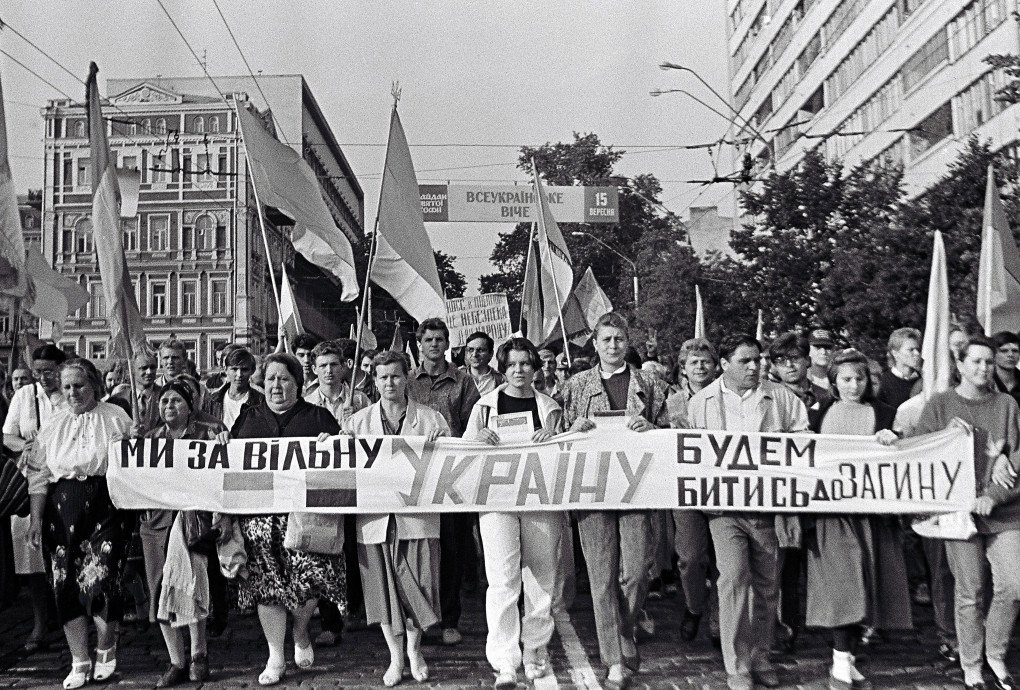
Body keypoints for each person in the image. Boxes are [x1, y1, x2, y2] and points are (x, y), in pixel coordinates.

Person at [687, 333, 808, 690]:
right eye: (745, 361)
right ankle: (737, 664)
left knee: (768, 585)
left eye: (757, 360)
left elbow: (804, 442)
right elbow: (690, 450)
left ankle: (761, 653)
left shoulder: (782, 398)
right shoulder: (702, 402)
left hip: (769, 506)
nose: (755, 366)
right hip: (724, 509)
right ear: (724, 364)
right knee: (734, 577)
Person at [561, 312, 669, 689]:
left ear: (628, 342)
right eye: (605, 340)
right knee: (601, 577)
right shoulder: (576, 386)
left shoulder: (651, 384)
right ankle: (615, 659)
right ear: (595, 343)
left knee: (637, 571)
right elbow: (557, 439)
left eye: (619, 339)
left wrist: (654, 429)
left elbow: (673, 433)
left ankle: (624, 629)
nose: (612, 346)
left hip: (638, 489)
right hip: (593, 491)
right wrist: (572, 429)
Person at [910, 335, 1020, 690]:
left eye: (989, 362)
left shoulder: (1007, 405)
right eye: (975, 361)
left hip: (1003, 510)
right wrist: (890, 439)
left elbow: (1018, 456)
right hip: (959, 512)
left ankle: (996, 653)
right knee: (970, 591)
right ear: (959, 365)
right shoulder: (941, 404)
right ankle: (971, 664)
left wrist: (995, 494)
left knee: (1014, 585)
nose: (984, 368)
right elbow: (917, 449)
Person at [230, 353, 346, 686]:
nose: (276, 386)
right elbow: (232, 464)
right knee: (268, 587)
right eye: (270, 379)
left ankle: (300, 630)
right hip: (262, 519)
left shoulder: (318, 417)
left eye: (284, 379)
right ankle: (275, 656)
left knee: (310, 581)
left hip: (306, 517)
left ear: (297, 383)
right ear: (261, 383)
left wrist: (334, 444)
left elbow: (342, 461)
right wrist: (224, 443)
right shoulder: (248, 417)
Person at [806, 349, 912, 689]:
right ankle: (838, 663)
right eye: (846, 379)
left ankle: (848, 660)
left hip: (870, 514)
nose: (854, 385)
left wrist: (894, 440)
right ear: (834, 382)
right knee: (843, 585)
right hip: (832, 513)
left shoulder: (884, 413)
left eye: (860, 379)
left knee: (865, 584)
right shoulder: (818, 412)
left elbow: (907, 455)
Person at [25, 359, 132, 689]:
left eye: (80, 385)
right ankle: (79, 659)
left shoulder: (116, 417)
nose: (73, 392)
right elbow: (39, 477)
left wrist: (137, 440)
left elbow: (137, 461)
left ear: (95, 384)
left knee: (102, 579)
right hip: (62, 509)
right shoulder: (52, 425)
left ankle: (105, 647)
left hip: (106, 504)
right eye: (67, 386)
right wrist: (36, 518)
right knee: (66, 584)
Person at [346, 350, 448, 686]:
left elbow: (455, 465)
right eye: (383, 377)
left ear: (407, 378)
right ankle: (394, 656)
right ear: (374, 381)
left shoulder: (431, 420)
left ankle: (415, 651)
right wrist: (327, 442)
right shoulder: (358, 422)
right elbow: (338, 462)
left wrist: (443, 444)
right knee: (382, 588)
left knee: (417, 583)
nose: (390, 383)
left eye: (396, 375)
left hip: (416, 518)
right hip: (374, 519)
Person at [466, 338, 563, 688]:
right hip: (497, 502)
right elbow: (463, 451)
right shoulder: (485, 407)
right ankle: (505, 660)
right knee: (503, 580)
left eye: (525, 364)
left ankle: (536, 648)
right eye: (512, 365)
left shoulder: (551, 406)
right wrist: (479, 438)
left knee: (541, 577)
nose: (519, 371)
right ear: (502, 369)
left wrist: (554, 437)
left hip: (540, 499)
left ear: (535, 367)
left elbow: (568, 452)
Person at [139, 381, 226, 687]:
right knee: (160, 588)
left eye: (176, 401)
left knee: (190, 584)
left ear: (190, 405)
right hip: (156, 524)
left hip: (193, 521)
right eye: (164, 401)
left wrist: (222, 441)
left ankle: (198, 654)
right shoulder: (149, 439)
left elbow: (222, 474)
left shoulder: (207, 432)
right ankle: (176, 660)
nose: (169, 407)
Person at [407, 317, 480, 645]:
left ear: (447, 343)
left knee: (452, 550)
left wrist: (451, 437)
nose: (434, 344)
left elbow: (475, 425)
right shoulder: (407, 381)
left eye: (440, 339)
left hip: (453, 477)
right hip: (414, 478)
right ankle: (422, 616)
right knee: (420, 549)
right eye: (428, 339)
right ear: (419, 344)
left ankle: (450, 618)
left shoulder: (463, 382)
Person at [303, 338, 370, 646]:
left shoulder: (360, 400)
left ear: (344, 367)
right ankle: (331, 622)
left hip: (356, 484)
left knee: (355, 552)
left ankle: (355, 608)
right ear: (314, 370)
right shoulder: (306, 401)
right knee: (326, 552)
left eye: (334, 365)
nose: (328, 371)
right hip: (321, 486)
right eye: (322, 366)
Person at [767, 330, 831, 651]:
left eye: (795, 359)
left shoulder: (827, 397)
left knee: (823, 560)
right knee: (787, 564)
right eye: (781, 361)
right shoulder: (769, 397)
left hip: (822, 488)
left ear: (808, 360)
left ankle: (830, 623)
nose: (789, 366)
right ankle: (787, 627)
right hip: (785, 490)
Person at [4, 344, 67, 653]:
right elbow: (7, 434)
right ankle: (40, 622)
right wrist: (23, 446)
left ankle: (67, 617)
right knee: (30, 555)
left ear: (61, 367)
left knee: (64, 551)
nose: (43, 378)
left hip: (63, 482)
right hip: (28, 483)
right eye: (38, 372)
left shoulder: (70, 393)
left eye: (49, 371)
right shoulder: (24, 396)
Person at [664, 338, 719, 642]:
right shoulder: (670, 401)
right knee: (691, 556)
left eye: (705, 361)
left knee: (724, 558)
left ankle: (719, 618)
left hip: (722, 486)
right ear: (683, 368)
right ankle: (695, 605)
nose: (700, 366)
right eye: (693, 362)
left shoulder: (726, 397)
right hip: (685, 486)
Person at [204, 346, 264, 433]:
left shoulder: (261, 401)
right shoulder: (212, 401)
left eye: (244, 369)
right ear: (226, 370)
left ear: (252, 370)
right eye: (234, 369)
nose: (239, 374)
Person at [876, 327, 921, 410]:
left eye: (917, 349)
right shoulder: (883, 383)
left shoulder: (923, 380)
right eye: (911, 350)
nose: (917, 353)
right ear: (895, 353)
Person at [461, 331, 506, 396]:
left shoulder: (501, 380)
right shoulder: (457, 377)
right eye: (471, 350)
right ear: (466, 353)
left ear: (491, 354)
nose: (474, 354)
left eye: (480, 350)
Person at [992, 331, 1020, 407]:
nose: (1010, 355)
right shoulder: (986, 382)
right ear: (993, 354)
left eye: (1015, 351)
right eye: (1004, 351)